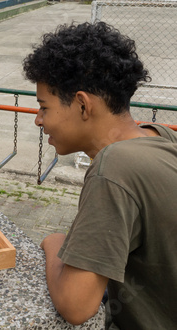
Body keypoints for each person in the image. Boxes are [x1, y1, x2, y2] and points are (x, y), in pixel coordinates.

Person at [23, 22, 177, 328]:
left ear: (82, 104)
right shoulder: (159, 137)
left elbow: (76, 305)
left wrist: (55, 242)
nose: (39, 120)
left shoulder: (115, 168)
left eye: (44, 107)